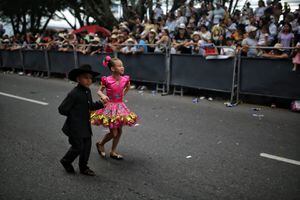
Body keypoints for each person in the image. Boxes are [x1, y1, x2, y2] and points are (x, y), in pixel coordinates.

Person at [58, 64, 104, 176]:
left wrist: (102, 104)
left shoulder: (87, 91)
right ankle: (66, 161)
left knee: (86, 147)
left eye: (90, 78)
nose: (89, 80)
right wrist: (75, 115)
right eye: (85, 77)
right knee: (78, 147)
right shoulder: (74, 93)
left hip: (85, 126)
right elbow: (62, 109)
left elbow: (90, 106)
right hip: (74, 127)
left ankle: (84, 167)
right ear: (78, 79)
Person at [91, 56, 138, 160]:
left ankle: (113, 151)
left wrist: (122, 96)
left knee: (119, 131)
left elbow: (128, 87)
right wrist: (103, 96)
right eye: (119, 66)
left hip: (120, 106)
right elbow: (99, 91)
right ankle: (101, 144)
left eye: (122, 65)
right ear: (112, 68)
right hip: (110, 107)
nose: (122, 67)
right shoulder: (106, 80)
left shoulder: (125, 79)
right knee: (114, 132)